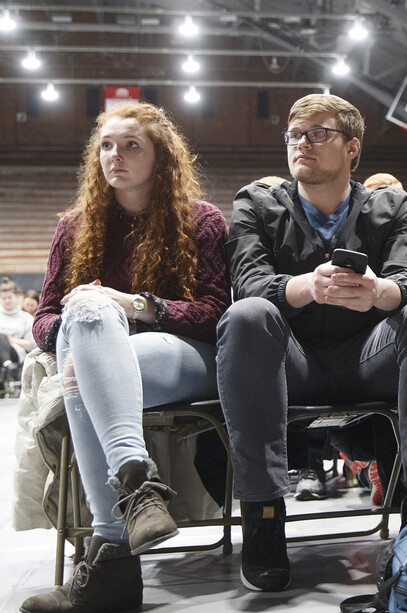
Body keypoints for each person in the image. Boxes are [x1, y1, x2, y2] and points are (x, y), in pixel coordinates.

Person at [216, 93, 407, 592]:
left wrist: (376, 291)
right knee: (246, 316)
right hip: (291, 360)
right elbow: (247, 281)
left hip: (370, 355)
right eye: (295, 135)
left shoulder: (390, 205)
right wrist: (308, 286)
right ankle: (262, 515)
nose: (302, 143)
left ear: (353, 147)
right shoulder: (255, 202)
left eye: (318, 133)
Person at [19, 102, 228, 613]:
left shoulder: (201, 221)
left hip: (186, 359)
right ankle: (135, 481)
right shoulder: (74, 228)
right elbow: (43, 319)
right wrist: (87, 318)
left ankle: (111, 554)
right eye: (107, 146)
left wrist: (134, 305)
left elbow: (214, 313)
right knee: (84, 327)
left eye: (132, 145)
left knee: (87, 338)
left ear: (162, 157)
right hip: (91, 361)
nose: (116, 155)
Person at [1, 279, 35, 378]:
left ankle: (8, 364)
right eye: (3, 298)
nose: (7, 300)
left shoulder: (26, 317)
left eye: (9, 297)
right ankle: (7, 364)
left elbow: (32, 344)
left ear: (16, 296)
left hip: (16, 352)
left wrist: (11, 340)